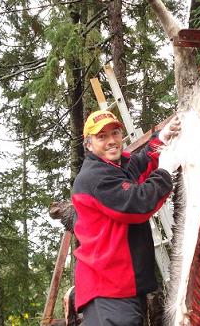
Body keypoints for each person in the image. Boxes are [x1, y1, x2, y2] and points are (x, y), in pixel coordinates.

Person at [71, 109, 181, 325]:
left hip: (122, 287)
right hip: (108, 289)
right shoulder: (95, 177)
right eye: (102, 137)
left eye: (115, 133)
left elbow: (140, 163)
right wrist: (165, 172)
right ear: (89, 144)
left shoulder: (115, 167)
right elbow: (137, 204)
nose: (112, 141)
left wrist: (162, 138)